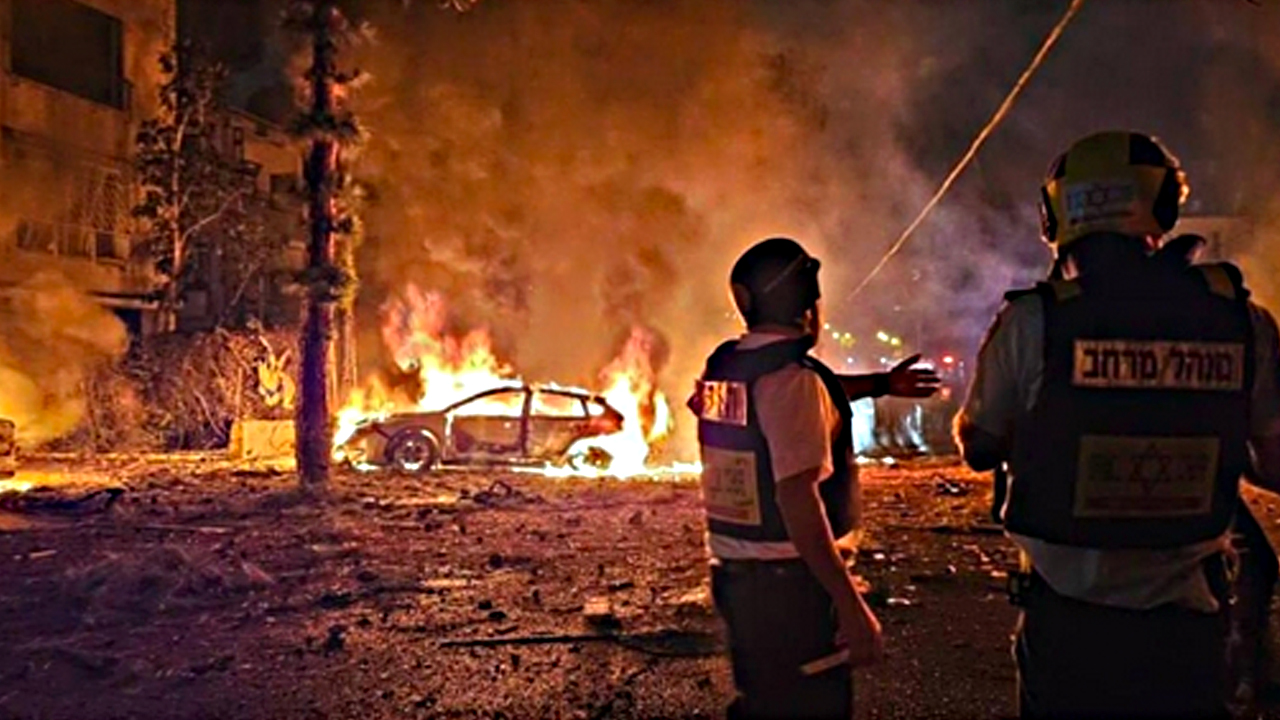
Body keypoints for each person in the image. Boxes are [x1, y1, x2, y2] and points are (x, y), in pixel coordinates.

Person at [954, 130, 1280, 719]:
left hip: (1068, 627)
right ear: (1164, 208)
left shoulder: (1034, 322)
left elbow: (978, 447)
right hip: (1188, 629)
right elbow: (1274, 463)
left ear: (1055, 216)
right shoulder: (1241, 320)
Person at [687, 237, 939, 719]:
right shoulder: (791, 381)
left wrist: (883, 383)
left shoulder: (726, 366)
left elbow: (793, 400)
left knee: (764, 702)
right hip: (791, 590)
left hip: (738, 576)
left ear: (744, 300)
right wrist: (849, 604)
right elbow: (797, 498)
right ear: (810, 305)